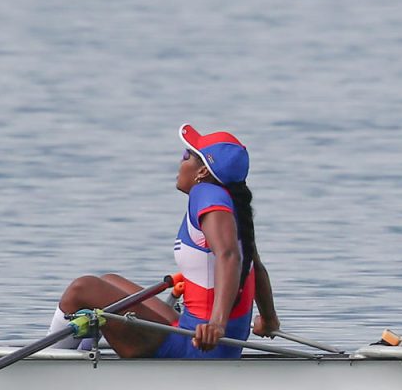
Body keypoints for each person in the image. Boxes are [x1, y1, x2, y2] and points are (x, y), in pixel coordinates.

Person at [52, 124, 279, 358]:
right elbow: (255, 266)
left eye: (186, 156)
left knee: (83, 289)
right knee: (109, 282)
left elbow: (230, 256)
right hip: (202, 335)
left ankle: (45, 365)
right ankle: (82, 353)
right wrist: (269, 320)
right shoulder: (235, 207)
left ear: (202, 172)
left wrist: (217, 324)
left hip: (199, 344)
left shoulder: (206, 194)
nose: (180, 161)